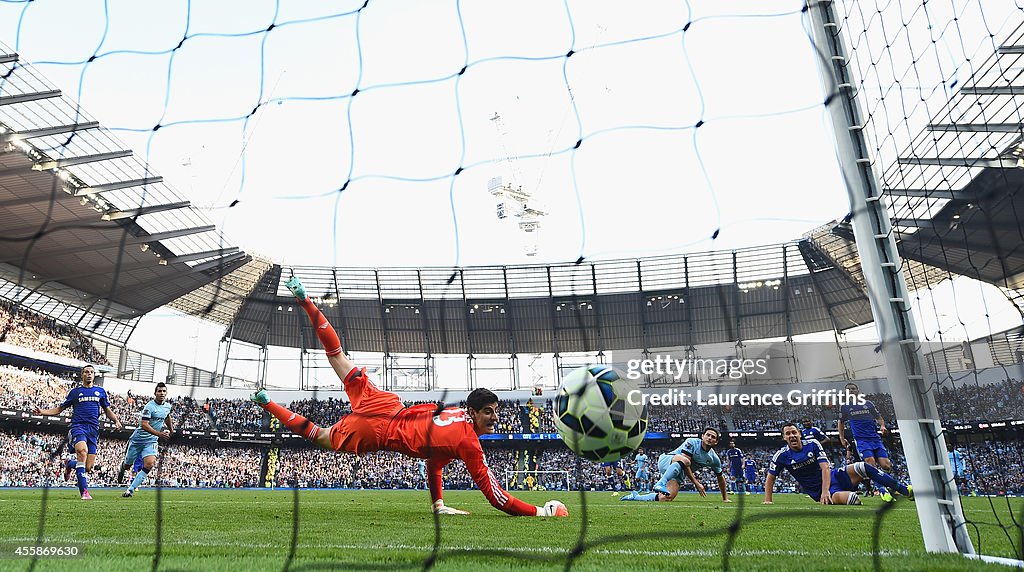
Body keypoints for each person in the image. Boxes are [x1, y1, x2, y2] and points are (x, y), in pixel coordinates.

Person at [250, 276, 567, 517]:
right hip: (381, 431)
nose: (494, 418)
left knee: (337, 357)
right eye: (488, 412)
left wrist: (438, 504)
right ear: (472, 411)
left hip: (390, 405)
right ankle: (267, 402)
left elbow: (434, 463)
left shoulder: (456, 414)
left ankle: (305, 304)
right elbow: (495, 495)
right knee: (320, 436)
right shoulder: (468, 442)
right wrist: (541, 512)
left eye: (494, 412)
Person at [763, 422, 911, 506]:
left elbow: (825, 467)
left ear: (799, 434)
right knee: (854, 499)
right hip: (819, 492)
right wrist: (768, 500)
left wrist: (825, 490)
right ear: (784, 438)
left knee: (864, 467)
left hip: (834, 477)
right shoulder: (781, 455)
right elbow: (770, 477)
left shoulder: (813, 444)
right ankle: (879, 492)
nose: (792, 435)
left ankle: (906, 491)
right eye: (788, 434)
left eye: (794, 432)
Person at [33, 365, 122, 500]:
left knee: (88, 467)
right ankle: (84, 492)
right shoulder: (75, 392)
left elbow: (107, 410)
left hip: (93, 430)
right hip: (78, 427)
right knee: (82, 451)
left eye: (91, 372)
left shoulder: (100, 391)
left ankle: (70, 464)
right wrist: (43, 412)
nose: (89, 374)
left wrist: (115, 420)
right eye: (86, 372)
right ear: (82, 375)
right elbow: (59, 409)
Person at [620, 427, 728, 502]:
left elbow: (720, 477)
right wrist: (696, 483)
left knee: (666, 498)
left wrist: (725, 498)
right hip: (667, 460)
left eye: (713, 437)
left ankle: (636, 497)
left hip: (678, 472)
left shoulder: (714, 459)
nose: (710, 438)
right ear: (702, 436)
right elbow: (686, 462)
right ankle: (660, 483)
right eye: (708, 435)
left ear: (716, 442)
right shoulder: (692, 442)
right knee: (686, 461)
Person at [838, 383, 896, 501]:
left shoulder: (868, 404)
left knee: (886, 465)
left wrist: (882, 426)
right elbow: (841, 422)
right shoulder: (845, 407)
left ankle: (889, 484)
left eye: (853, 388)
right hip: (862, 440)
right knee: (871, 464)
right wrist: (841, 437)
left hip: (875, 439)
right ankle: (882, 490)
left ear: (858, 390)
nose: (851, 391)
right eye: (848, 389)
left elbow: (878, 417)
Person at [118, 382, 174, 497]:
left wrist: (171, 430)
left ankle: (130, 490)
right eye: (159, 391)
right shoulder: (149, 406)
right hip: (137, 440)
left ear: (166, 393)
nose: (162, 393)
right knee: (128, 465)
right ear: (155, 393)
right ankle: (122, 467)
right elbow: (144, 424)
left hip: (151, 441)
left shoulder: (168, 406)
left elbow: (167, 416)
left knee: (149, 464)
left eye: (164, 391)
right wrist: (159, 434)